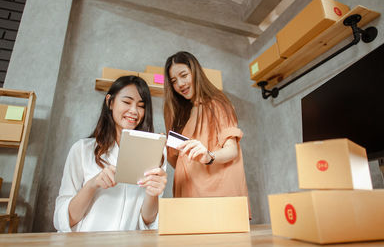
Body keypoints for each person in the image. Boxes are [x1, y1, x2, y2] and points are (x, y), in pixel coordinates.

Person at [54, 76, 167, 232]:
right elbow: (63, 220)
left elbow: (148, 221)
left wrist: (153, 193)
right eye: (127, 102)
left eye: (141, 106)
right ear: (110, 102)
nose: (134, 111)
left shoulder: (157, 153)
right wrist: (92, 185)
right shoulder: (82, 150)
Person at [163, 51, 250, 214]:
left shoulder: (217, 103)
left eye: (184, 75)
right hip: (187, 191)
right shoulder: (182, 114)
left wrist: (208, 156)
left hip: (214, 193)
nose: (180, 84)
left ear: (195, 72)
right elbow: (178, 162)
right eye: (174, 81)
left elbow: (232, 150)